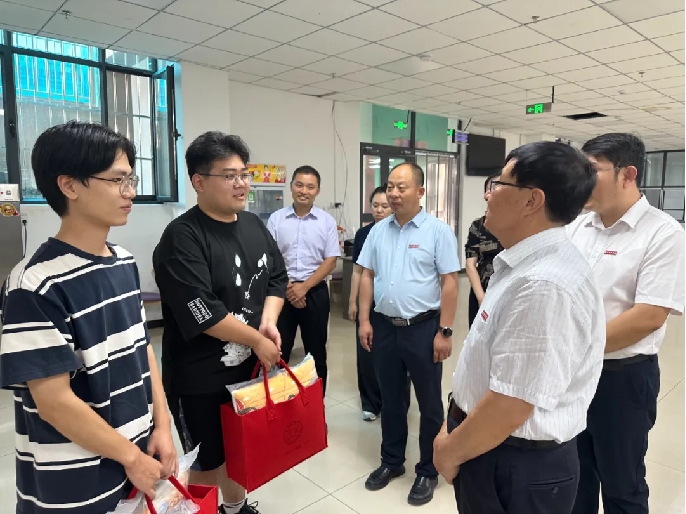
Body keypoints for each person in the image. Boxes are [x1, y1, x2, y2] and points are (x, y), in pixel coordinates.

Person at [0, 121, 177, 514]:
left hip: (138, 455)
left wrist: (162, 425)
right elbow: (54, 402)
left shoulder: (124, 262)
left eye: (131, 179)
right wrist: (130, 457)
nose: (130, 192)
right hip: (75, 477)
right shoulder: (35, 283)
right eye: (117, 180)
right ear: (69, 186)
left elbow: (143, 349)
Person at [433, 141, 605, 514]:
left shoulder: (543, 284)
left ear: (532, 200)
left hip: (513, 462)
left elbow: (511, 405)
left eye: (499, 184)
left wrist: (448, 452)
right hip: (488, 443)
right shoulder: (524, 264)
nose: (488, 194)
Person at [152, 132, 287, 514]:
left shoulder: (253, 225)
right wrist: (257, 340)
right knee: (207, 461)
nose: (242, 183)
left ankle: (235, 507)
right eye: (229, 176)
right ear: (199, 181)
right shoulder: (182, 237)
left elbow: (277, 277)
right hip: (200, 379)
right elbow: (203, 311)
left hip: (247, 372)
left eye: (244, 174)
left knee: (240, 449)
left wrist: (268, 323)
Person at [568, 133, 685, 514]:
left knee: (622, 485)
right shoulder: (577, 228)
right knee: (575, 478)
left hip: (621, 379)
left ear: (627, 174)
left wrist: (573, 347)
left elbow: (648, 316)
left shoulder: (662, 233)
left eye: (592, 170)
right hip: (572, 373)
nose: (581, 179)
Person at [357, 162, 460, 506]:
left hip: (423, 329)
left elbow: (449, 282)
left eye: (401, 187)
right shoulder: (378, 231)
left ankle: (428, 469)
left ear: (420, 191)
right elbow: (367, 275)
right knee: (391, 398)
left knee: (429, 403)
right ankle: (392, 460)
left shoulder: (438, 232)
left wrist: (445, 331)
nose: (394, 193)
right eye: (390, 186)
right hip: (385, 327)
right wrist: (365, 321)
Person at [267, 166, 340, 394]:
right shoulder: (276, 219)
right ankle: (280, 405)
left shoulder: (326, 221)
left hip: (315, 293)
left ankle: (316, 406)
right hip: (281, 292)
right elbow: (270, 257)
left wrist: (304, 288)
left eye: (310, 187)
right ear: (291, 187)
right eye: (299, 185)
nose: (304, 191)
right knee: (278, 352)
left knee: (316, 353)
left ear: (317, 191)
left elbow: (331, 260)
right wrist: (290, 288)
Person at [348, 185, 410, 421]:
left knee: (397, 355)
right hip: (368, 304)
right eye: (375, 205)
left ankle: (396, 402)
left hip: (394, 305)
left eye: (384, 206)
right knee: (367, 353)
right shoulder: (364, 234)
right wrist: (352, 302)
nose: (379, 210)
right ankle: (371, 402)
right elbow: (358, 271)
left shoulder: (403, 232)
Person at [464, 173, 504, 327]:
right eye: (494, 186)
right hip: (482, 291)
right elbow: (470, 265)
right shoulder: (478, 226)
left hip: (507, 292)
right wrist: (482, 298)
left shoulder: (516, 226)